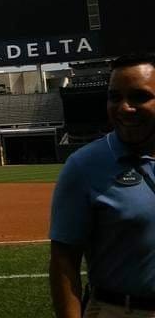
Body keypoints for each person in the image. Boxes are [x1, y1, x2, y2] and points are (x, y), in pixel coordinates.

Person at [50, 53, 155, 317]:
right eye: (115, 97)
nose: (124, 108)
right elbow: (64, 261)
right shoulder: (84, 166)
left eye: (140, 96)